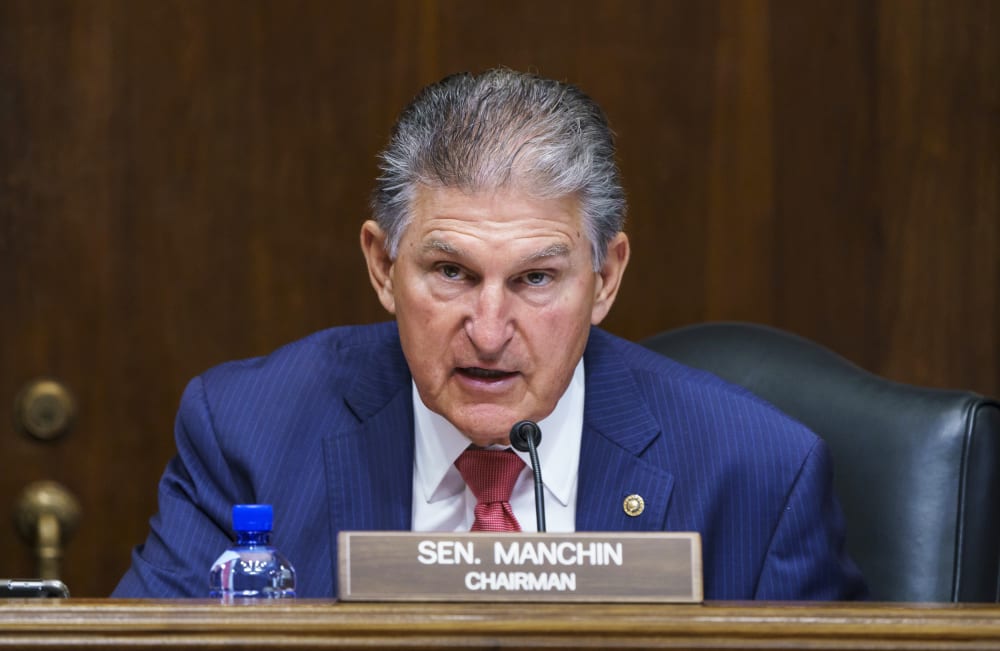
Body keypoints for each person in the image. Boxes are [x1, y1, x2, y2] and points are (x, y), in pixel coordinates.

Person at [112, 68, 867, 600]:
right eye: (451, 271)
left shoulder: (760, 476)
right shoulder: (248, 434)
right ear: (382, 265)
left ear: (605, 278)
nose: (490, 330)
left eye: (536, 279)